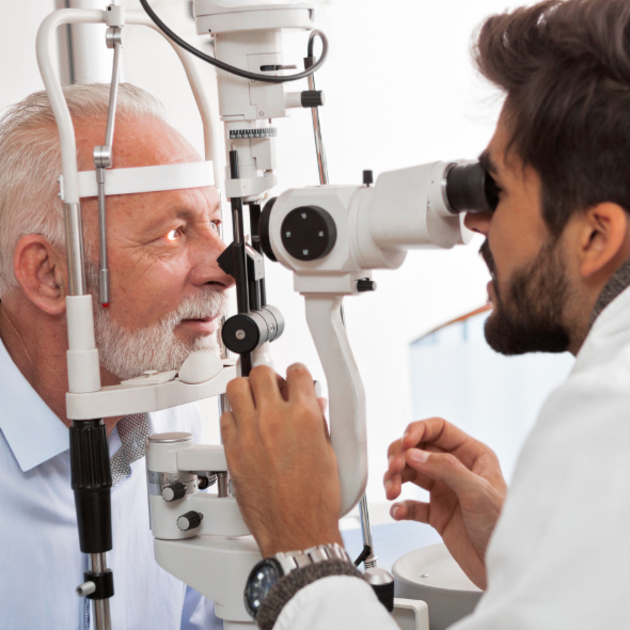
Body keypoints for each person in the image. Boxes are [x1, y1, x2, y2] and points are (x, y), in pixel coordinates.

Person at [221, 0, 630, 628]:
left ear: (596, 237)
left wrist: (303, 547)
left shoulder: (606, 417)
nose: (474, 221)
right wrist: (524, 555)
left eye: (497, 192)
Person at [0, 83, 233, 629]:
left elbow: (194, 617)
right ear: (50, 275)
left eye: (215, 223)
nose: (225, 267)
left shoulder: (168, 413)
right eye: (174, 234)